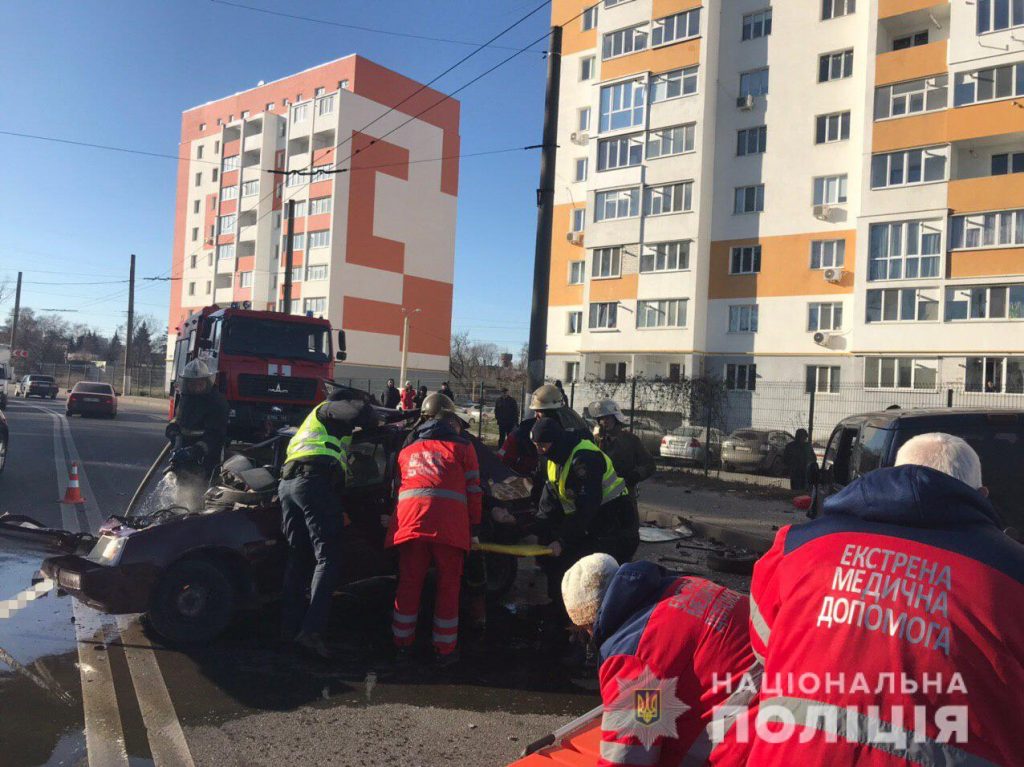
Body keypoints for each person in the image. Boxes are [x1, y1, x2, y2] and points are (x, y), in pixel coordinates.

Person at [748, 433, 1024, 765]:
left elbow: (766, 647)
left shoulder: (797, 545)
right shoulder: (1010, 573)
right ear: (981, 494)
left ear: (893, 474)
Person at [562, 555, 759, 767]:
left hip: (751, 739)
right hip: (785, 697)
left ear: (589, 623)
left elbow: (628, 755)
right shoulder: (686, 585)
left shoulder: (635, 654)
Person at [279, 390, 379, 659]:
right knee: (328, 558)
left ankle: (289, 628)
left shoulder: (320, 426)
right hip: (312, 482)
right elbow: (360, 413)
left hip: (290, 485)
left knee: (299, 556)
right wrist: (372, 411)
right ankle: (311, 634)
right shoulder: (327, 409)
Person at [387, 392, 481, 665]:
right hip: (449, 529)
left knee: (409, 584)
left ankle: (401, 645)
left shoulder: (407, 449)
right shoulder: (463, 448)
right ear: (450, 420)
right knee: (448, 588)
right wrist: (475, 529)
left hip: (411, 524)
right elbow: (474, 491)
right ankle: (444, 650)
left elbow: (398, 489)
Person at [531, 417, 639, 613]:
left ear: (555, 441)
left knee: (601, 573)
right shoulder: (553, 460)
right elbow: (547, 507)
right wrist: (526, 526)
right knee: (566, 564)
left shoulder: (585, 458)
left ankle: (603, 618)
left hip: (614, 520)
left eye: (542, 445)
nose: (539, 450)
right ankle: (564, 610)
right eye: (536, 445)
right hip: (592, 519)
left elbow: (587, 506)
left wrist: (562, 541)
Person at [167, 358, 229, 479]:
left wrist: (196, 450)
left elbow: (215, 434)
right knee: (180, 483)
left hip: (207, 456)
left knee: (202, 488)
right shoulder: (186, 398)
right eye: (192, 384)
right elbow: (178, 419)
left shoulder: (216, 402)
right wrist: (173, 432)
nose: (196, 387)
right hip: (185, 450)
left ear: (207, 382)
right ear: (186, 383)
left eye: (200, 384)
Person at [590, 399, 656, 495]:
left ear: (616, 418)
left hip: (625, 494)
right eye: (601, 418)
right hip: (600, 495)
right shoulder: (594, 441)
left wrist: (636, 475)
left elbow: (649, 464)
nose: (604, 421)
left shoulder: (630, 440)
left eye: (608, 418)